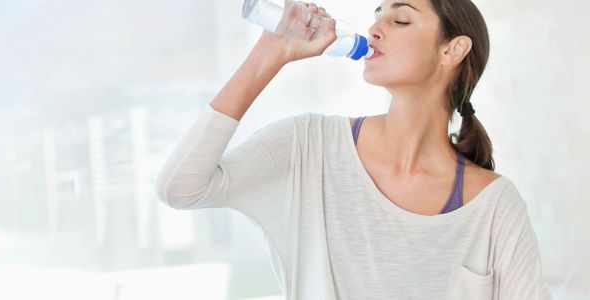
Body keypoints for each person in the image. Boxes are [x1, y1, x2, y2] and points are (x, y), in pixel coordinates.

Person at [155, 0, 553, 299]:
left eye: (399, 19)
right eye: (377, 14)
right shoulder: (308, 148)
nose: (375, 27)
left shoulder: (494, 206)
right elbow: (180, 188)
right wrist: (269, 54)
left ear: (452, 50)